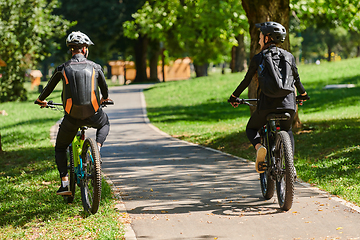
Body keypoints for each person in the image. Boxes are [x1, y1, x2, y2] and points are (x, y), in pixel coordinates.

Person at [36, 31, 112, 195]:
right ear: (84, 49)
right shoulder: (96, 67)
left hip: (71, 118)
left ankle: (64, 184)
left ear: (71, 50)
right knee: (105, 123)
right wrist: (105, 98)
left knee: (60, 148)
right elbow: (105, 91)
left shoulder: (62, 68)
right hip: (94, 114)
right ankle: (97, 148)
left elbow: (48, 88)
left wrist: (41, 100)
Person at [228, 21, 309, 173]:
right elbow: (296, 80)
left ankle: (260, 147)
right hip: (289, 105)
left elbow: (246, 81)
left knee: (251, 129)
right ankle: (290, 165)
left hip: (266, 106)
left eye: (260, 37)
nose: (259, 40)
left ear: (267, 38)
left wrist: (234, 97)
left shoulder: (259, 57)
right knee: (288, 130)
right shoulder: (289, 56)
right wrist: (303, 95)